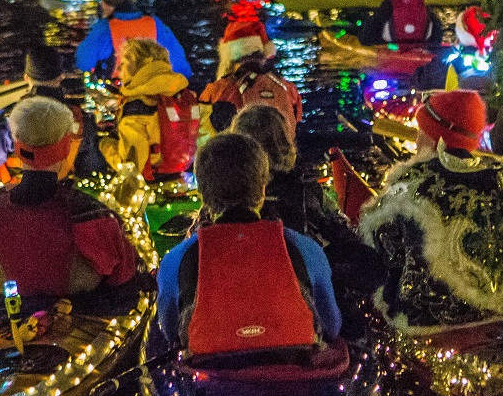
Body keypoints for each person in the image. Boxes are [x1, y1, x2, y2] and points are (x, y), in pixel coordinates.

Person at [358, 90, 503, 330]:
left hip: (429, 327)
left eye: (421, 131)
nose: (416, 140)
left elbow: (376, 259)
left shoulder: (411, 183)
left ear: (436, 137)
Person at [0, 97, 143, 310]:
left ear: (18, 147)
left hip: (8, 330)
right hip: (79, 329)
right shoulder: (94, 216)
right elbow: (124, 284)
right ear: (66, 148)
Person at [155, 132, 342, 358]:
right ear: (262, 189)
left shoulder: (176, 259)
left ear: (203, 193)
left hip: (210, 384)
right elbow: (332, 326)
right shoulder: (306, 249)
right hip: (297, 380)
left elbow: (169, 332)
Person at [230, 105, 383, 305]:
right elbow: (341, 233)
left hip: (237, 299)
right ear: (284, 143)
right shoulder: (303, 192)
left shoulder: (224, 197)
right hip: (298, 300)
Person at [0, 45, 104, 180]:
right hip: (64, 197)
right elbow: (92, 168)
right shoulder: (82, 120)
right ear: (61, 76)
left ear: (26, 77)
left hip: (17, 197)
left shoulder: (9, 119)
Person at [99, 37, 196, 181]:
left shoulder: (137, 105)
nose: (118, 70)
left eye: (123, 64)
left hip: (150, 183)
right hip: (184, 179)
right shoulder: (184, 95)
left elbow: (131, 167)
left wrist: (106, 145)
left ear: (139, 66)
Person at [73, 0, 191, 79]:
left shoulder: (104, 29)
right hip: (153, 89)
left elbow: (83, 62)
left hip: (120, 91)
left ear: (105, 4)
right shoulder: (155, 24)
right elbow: (180, 66)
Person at [201, 17, 302, 134]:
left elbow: (202, 133)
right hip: (282, 151)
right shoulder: (289, 89)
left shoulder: (218, 90)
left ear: (227, 57)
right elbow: (295, 124)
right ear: (263, 54)